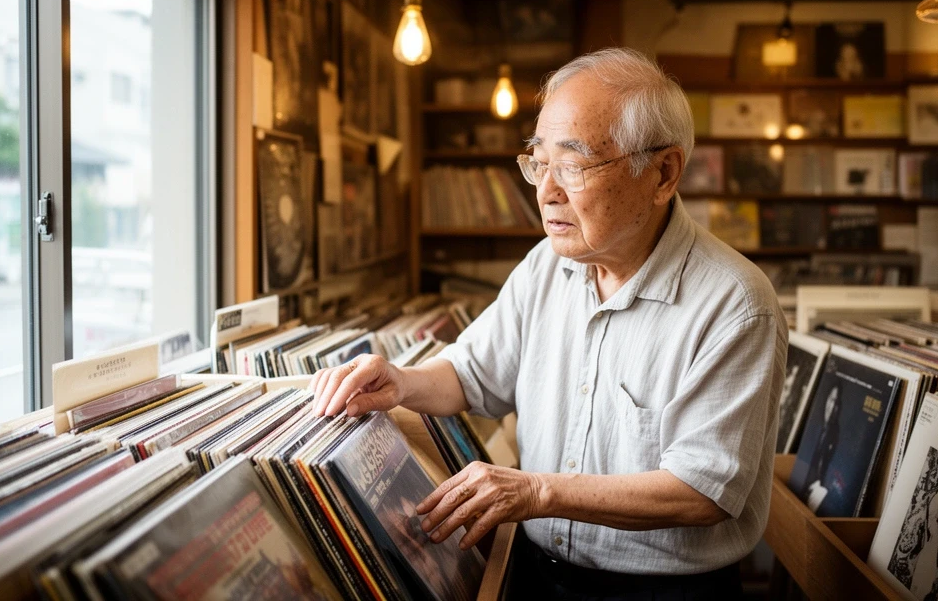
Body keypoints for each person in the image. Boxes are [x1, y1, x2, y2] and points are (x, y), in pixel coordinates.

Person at [310, 47, 787, 599]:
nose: (545, 191)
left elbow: (700, 491)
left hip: (663, 591)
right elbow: (472, 373)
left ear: (663, 172)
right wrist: (401, 381)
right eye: (539, 162)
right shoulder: (547, 264)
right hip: (537, 574)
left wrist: (536, 491)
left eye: (574, 166)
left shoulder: (736, 303)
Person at [802, 382, 843, 513]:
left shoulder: (835, 434)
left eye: (837, 403)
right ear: (826, 400)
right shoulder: (813, 426)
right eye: (832, 400)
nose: (833, 406)